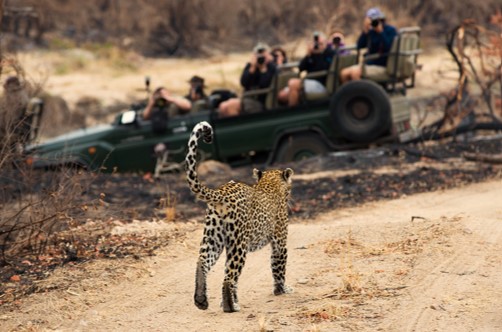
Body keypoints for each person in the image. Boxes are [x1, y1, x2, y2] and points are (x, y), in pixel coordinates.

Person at [340, 7, 397, 83]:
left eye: (377, 20)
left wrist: (381, 32)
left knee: (355, 72)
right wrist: (365, 31)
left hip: (382, 63)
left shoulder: (390, 30)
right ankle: (349, 94)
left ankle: (361, 94)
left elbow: (388, 48)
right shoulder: (371, 32)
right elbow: (359, 45)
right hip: (369, 63)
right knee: (343, 73)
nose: (375, 23)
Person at [219, 43, 277, 117]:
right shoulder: (251, 66)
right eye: (259, 55)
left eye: (263, 55)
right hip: (247, 97)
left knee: (232, 105)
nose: (261, 58)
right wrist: (252, 68)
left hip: (260, 100)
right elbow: (243, 82)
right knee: (223, 106)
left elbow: (265, 84)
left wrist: (263, 69)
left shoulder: (271, 67)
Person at [278, 31, 334, 107]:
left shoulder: (330, 53)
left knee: (293, 83)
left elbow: (324, 68)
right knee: (282, 95)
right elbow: (301, 68)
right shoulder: (312, 54)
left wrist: (320, 53)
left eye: (320, 43)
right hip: (309, 82)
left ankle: (293, 114)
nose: (318, 45)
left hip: (321, 83)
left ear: (326, 42)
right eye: (316, 43)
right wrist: (308, 55)